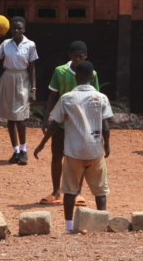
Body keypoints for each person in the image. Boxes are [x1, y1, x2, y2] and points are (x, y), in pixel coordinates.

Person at [34, 61, 112, 234]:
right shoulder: (101, 98)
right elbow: (105, 127)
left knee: (69, 190)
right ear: (92, 77)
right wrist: (107, 146)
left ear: (76, 78)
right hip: (95, 150)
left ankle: (69, 227)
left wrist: (41, 144)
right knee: (100, 190)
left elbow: (55, 125)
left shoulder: (67, 98)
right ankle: (101, 224)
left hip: (74, 151)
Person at [40, 41, 99, 206]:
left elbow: (96, 98)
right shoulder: (60, 71)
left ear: (86, 56)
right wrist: (47, 118)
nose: (78, 59)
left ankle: (77, 193)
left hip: (82, 124)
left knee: (78, 159)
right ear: (69, 56)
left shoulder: (91, 73)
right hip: (61, 123)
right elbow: (52, 95)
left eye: (81, 56)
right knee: (57, 156)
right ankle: (56, 191)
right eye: (75, 56)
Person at [0, 17, 38, 165]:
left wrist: (33, 89)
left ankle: (24, 150)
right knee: (10, 117)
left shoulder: (30, 45)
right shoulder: (5, 44)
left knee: (20, 117)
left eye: (19, 28)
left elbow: (32, 68)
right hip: (8, 78)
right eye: (14, 28)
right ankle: (15, 151)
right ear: (10, 30)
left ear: (24, 30)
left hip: (22, 79)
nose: (16, 31)